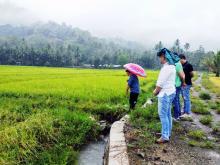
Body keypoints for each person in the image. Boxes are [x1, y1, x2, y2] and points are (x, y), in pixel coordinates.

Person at [153, 49, 176, 143]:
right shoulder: (172, 67)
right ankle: (167, 133)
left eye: (160, 57)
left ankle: (165, 136)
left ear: (164, 57)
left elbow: (160, 84)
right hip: (171, 92)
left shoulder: (166, 68)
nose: (160, 59)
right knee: (167, 114)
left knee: (163, 114)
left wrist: (155, 92)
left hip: (165, 94)